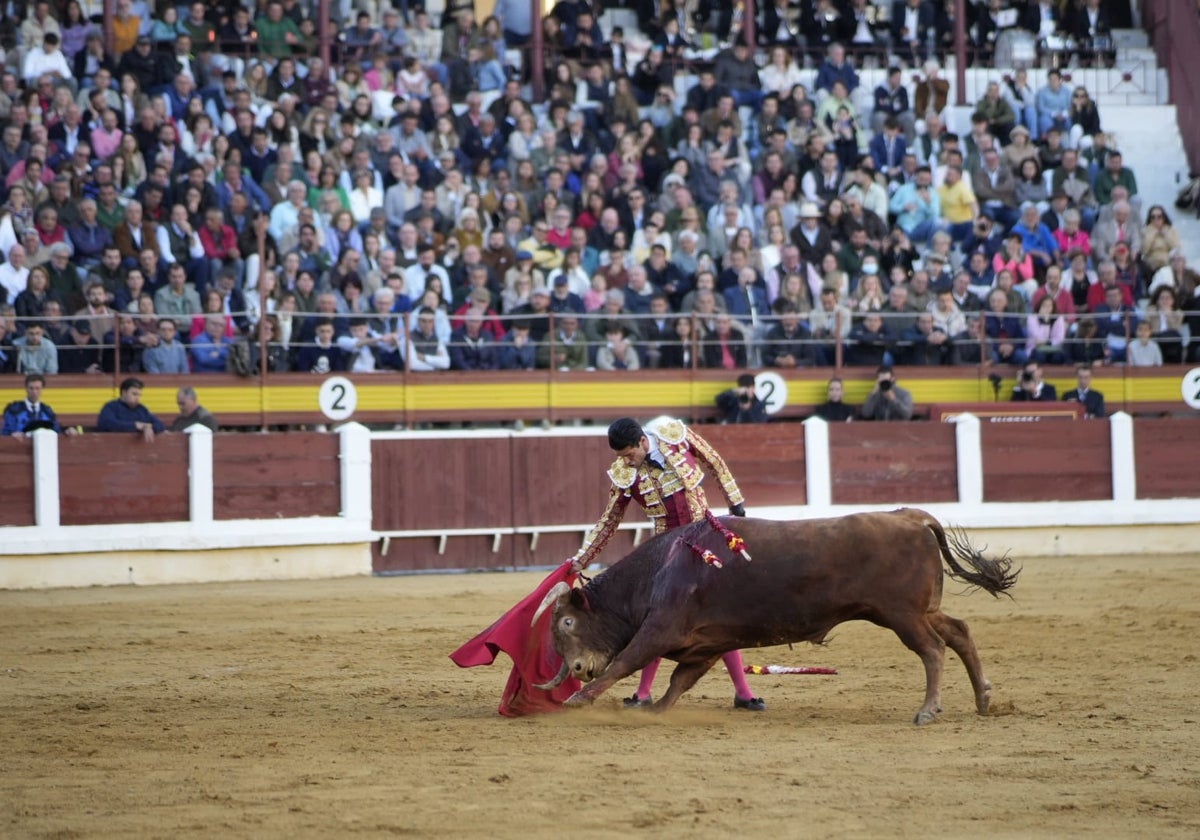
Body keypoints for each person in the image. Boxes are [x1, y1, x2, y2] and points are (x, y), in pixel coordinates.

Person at [569, 417, 764, 712]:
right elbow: (609, 520)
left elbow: (714, 461)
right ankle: (643, 693)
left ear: (642, 441)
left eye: (629, 454)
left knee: (719, 616)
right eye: (621, 457)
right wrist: (581, 558)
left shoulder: (674, 435)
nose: (626, 461)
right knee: (658, 619)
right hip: (667, 549)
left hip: (705, 537)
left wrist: (736, 506)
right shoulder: (623, 473)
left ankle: (744, 692)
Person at [2, 373, 78, 437]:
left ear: (42, 390)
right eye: (31, 388)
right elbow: (5, 432)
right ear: (26, 389)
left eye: (37, 388)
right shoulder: (14, 410)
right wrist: (12, 434)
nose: (34, 392)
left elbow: (56, 431)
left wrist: (66, 431)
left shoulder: (47, 411)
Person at [97, 377, 166, 441]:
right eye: (134, 394)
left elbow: (160, 425)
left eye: (139, 395)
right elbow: (106, 423)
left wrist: (147, 427)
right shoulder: (111, 407)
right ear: (124, 392)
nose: (137, 398)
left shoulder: (141, 409)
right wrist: (135, 425)